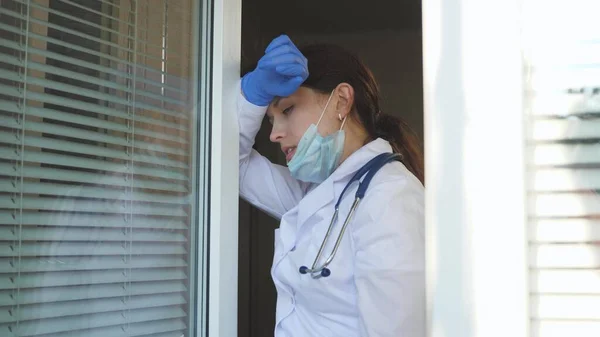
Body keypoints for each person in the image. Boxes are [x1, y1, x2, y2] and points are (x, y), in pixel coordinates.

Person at [238, 35, 425, 337]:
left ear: (341, 100)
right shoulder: (317, 192)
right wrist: (251, 97)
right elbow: (231, 163)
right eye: (269, 121)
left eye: (286, 111)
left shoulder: (390, 197)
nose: (274, 135)